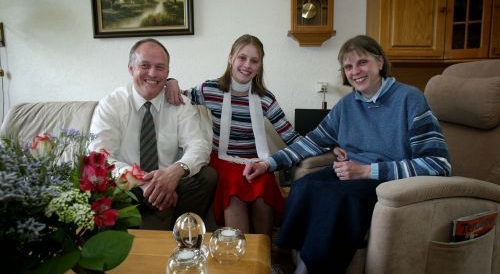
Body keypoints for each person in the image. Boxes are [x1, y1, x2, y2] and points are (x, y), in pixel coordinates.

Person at [243, 35, 451, 274]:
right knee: (304, 186)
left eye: (362, 62)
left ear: (380, 63)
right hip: (350, 172)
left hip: (389, 182)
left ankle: (311, 268)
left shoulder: (410, 99)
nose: (355, 71)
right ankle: (297, 262)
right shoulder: (347, 105)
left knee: (337, 199)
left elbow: (439, 164)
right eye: (348, 66)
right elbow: (311, 142)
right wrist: (268, 164)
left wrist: (366, 171)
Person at [165, 34, 301, 237]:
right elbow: (178, 96)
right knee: (234, 187)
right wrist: (170, 81)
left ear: (260, 65)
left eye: (254, 60)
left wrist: (323, 147)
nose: (247, 65)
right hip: (222, 160)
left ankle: (264, 256)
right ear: (231, 58)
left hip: (255, 161)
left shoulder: (265, 98)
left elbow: (290, 136)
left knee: (263, 185)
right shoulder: (210, 89)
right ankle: (239, 255)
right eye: (242, 58)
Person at [89, 38, 217, 230]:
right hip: (129, 187)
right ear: (131, 69)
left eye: (160, 67)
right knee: (99, 183)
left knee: (207, 176)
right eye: (145, 65)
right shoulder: (111, 105)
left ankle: (181, 239)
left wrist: (174, 172)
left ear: (167, 73)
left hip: (171, 183)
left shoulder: (179, 103)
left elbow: (198, 145)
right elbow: (99, 157)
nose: (152, 73)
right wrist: (142, 181)